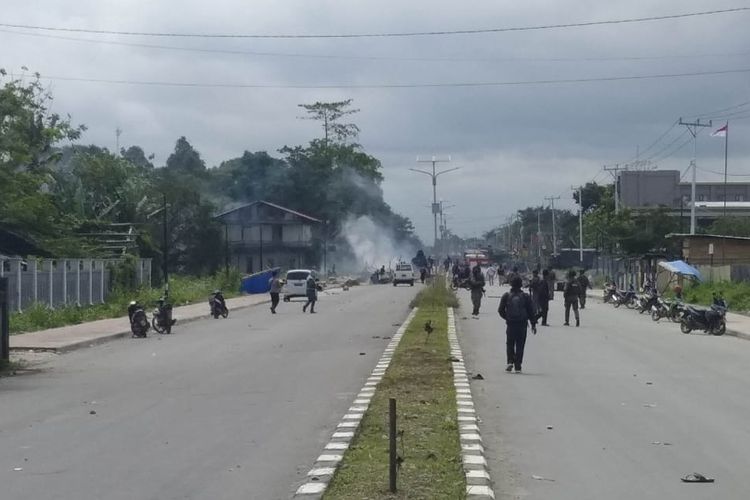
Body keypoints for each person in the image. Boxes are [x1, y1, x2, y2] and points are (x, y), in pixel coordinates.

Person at [498, 275, 537, 373]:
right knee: (520, 344)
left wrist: (507, 318)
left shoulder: (506, 296)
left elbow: (500, 310)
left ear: (511, 284)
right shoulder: (526, 297)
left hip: (511, 324)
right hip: (522, 324)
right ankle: (518, 365)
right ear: (521, 285)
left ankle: (510, 361)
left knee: (510, 343)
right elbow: (531, 311)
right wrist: (533, 324)